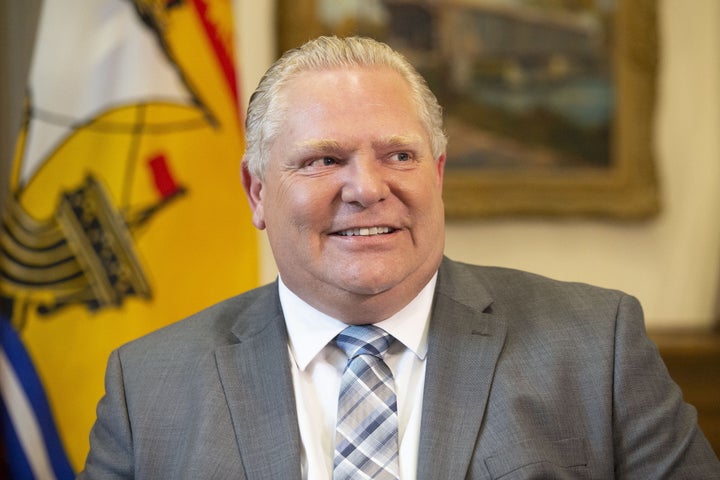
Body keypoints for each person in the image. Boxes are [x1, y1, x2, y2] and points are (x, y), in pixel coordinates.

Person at [80, 36, 720, 479]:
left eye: (399, 155)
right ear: (256, 190)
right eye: (325, 159)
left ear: (437, 174)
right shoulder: (148, 388)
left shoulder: (594, 345)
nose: (367, 188)